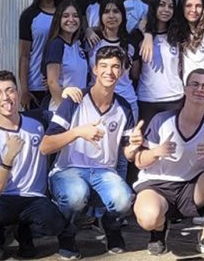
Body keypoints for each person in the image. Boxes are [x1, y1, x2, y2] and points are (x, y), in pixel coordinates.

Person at [40, 46, 141, 259]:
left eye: (115, 67)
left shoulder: (123, 107)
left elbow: (128, 154)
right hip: (69, 170)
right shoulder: (75, 101)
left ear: (122, 71)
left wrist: (133, 146)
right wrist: (77, 132)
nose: (109, 72)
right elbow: (45, 146)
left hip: (104, 171)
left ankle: (111, 227)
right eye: (103, 66)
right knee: (75, 197)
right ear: (94, 69)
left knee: (124, 200)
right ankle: (66, 234)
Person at [133, 69, 204, 259]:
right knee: (149, 218)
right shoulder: (162, 120)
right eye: (195, 84)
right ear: (185, 89)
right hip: (156, 185)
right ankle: (158, 229)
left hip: (191, 187)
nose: (199, 89)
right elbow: (139, 161)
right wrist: (156, 152)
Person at [0, 71, 67, 260]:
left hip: (34, 198)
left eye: (10, 90)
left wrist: (68, 94)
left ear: (18, 93)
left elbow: (66, 116)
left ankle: (25, 233)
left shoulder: (39, 118)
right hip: (3, 199)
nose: (5, 97)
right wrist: (8, 159)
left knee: (55, 223)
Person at [19, 0, 89, 109]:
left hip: (65, 82)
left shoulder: (64, 13)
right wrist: (24, 89)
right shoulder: (29, 15)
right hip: (38, 84)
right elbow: (24, 56)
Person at [133, 0, 185, 127]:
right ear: (154, 7)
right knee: (148, 145)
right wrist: (147, 35)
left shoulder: (178, 34)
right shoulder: (140, 35)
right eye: (162, 5)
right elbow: (134, 72)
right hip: (147, 98)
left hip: (174, 98)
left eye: (170, 6)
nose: (166, 10)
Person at [89, 0, 139, 121]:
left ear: (123, 15)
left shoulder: (131, 43)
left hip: (127, 103)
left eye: (116, 11)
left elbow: (135, 74)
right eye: (106, 12)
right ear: (100, 16)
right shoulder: (91, 40)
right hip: (96, 104)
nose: (111, 16)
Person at [43, 1, 89, 111]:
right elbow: (52, 82)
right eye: (66, 16)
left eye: (75, 16)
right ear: (58, 20)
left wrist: (90, 30)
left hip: (79, 106)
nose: (71, 19)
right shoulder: (56, 44)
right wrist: (63, 110)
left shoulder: (78, 44)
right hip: (61, 108)